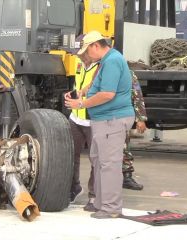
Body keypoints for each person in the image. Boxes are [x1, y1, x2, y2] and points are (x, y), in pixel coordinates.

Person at [65, 31, 135, 219]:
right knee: (99, 161)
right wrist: (80, 92)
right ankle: (101, 203)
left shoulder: (112, 61)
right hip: (104, 120)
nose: (86, 57)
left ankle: (111, 208)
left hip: (111, 120)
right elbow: (97, 85)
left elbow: (107, 94)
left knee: (109, 164)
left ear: (96, 46)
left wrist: (81, 104)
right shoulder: (107, 61)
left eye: (87, 52)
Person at [68, 35, 99, 204]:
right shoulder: (79, 63)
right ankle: (74, 187)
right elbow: (78, 86)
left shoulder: (100, 67)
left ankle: (94, 195)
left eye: (81, 52)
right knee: (72, 155)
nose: (78, 56)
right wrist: (71, 94)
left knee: (96, 158)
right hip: (76, 118)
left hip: (92, 120)